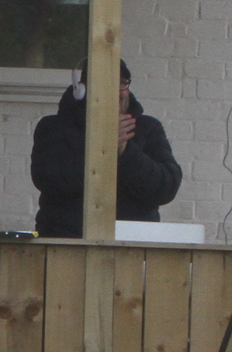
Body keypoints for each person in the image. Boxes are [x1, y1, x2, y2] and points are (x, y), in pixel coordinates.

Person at [31, 59, 182, 237]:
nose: (114, 92)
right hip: (67, 243)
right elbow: (50, 180)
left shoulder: (148, 127)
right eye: (103, 84)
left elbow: (166, 188)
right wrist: (100, 147)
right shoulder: (54, 127)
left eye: (120, 83)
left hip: (133, 244)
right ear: (82, 90)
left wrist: (124, 151)